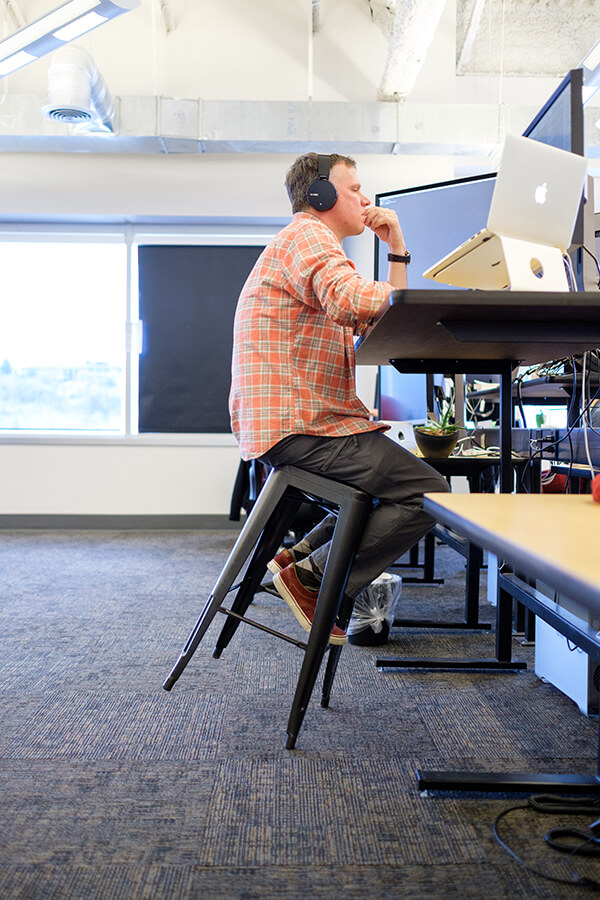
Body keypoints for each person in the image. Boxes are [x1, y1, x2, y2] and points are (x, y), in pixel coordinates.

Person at [229, 152, 449, 645]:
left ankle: (301, 558)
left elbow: (381, 320)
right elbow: (354, 301)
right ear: (321, 196)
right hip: (300, 426)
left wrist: (396, 251)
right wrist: (396, 255)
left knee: (390, 485)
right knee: (429, 493)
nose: (366, 200)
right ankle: (311, 579)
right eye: (355, 189)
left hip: (295, 424)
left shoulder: (303, 244)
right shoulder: (309, 235)